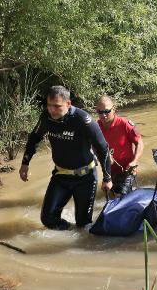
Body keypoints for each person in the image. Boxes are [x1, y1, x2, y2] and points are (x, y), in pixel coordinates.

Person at [19, 86, 112, 230]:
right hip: (61, 175)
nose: (52, 110)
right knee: (48, 219)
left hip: (85, 177)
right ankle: (68, 231)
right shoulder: (46, 118)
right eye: (49, 106)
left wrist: (107, 178)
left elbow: (103, 148)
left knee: (83, 224)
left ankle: (79, 236)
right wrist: (25, 163)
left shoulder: (83, 120)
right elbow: (34, 138)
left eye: (57, 106)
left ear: (68, 104)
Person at [96, 95, 144, 196]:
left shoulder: (125, 124)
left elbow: (139, 143)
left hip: (128, 171)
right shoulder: (95, 127)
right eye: (100, 112)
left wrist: (134, 161)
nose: (103, 115)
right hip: (110, 172)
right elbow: (92, 147)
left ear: (114, 109)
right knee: (111, 198)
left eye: (107, 111)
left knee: (122, 198)